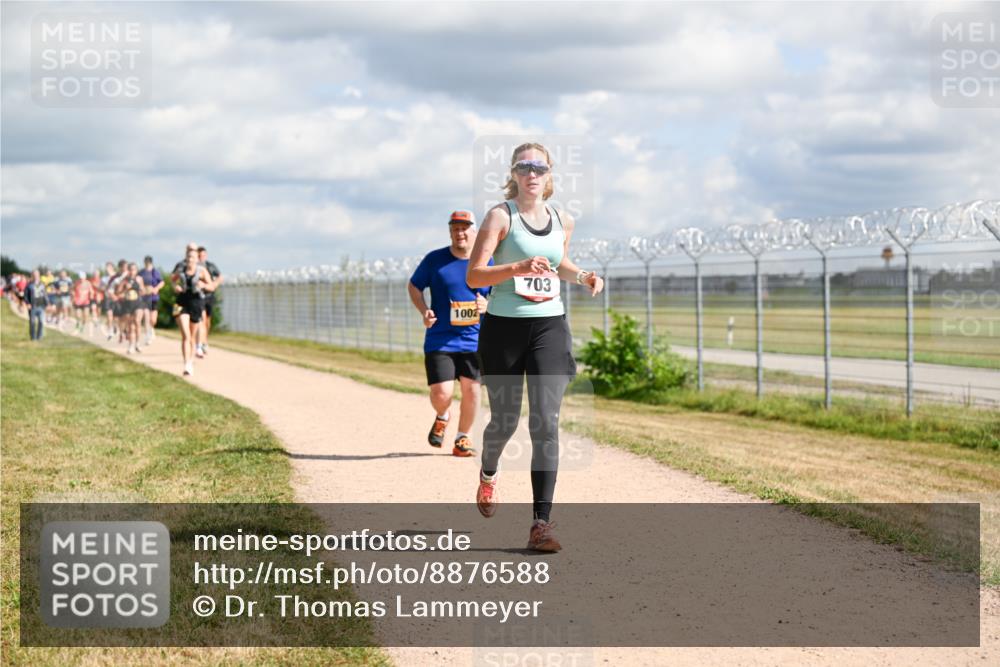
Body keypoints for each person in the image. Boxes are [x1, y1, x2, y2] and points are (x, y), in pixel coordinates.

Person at [466, 142, 604, 552]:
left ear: (549, 174)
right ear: (513, 173)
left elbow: (558, 263)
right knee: (504, 423)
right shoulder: (499, 216)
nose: (532, 173)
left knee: (544, 422)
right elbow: (475, 276)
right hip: (504, 329)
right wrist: (517, 268)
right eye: (524, 166)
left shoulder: (563, 218)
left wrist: (583, 277)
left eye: (539, 167)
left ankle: (540, 524)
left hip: (550, 327)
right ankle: (489, 474)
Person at [408, 211, 492, 457]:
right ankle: (443, 415)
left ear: (475, 231)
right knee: (441, 393)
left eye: (465, 228)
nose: (460, 233)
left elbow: (501, 291)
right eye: (455, 228)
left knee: (472, 389)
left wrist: (489, 305)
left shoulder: (487, 261)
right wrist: (424, 311)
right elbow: (414, 286)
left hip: (475, 339)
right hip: (440, 338)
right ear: (450, 232)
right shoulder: (435, 260)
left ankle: (462, 438)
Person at [172, 248, 213, 376]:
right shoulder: (181, 270)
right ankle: (186, 364)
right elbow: (172, 280)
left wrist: (204, 285)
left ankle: (190, 361)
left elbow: (211, 286)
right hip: (181, 302)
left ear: (197, 259)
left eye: (193, 257)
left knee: (192, 336)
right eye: (188, 257)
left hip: (196, 303)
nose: (190, 260)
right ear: (186, 258)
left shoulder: (202, 271)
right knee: (186, 334)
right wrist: (175, 287)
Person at [197, 246, 223, 356]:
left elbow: (220, 277)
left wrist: (213, 285)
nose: (201, 257)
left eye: (203, 255)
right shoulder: (195, 267)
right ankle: (200, 343)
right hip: (199, 296)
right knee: (201, 320)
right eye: (199, 255)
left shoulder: (210, 266)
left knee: (207, 321)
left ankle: (205, 340)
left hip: (209, 296)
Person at [116, 262, 146, 354]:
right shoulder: (124, 280)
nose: (132, 271)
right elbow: (118, 292)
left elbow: (143, 291)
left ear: (136, 270)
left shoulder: (139, 279)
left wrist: (141, 290)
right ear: (128, 270)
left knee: (137, 321)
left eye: (134, 269)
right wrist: (126, 289)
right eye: (130, 269)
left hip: (138, 303)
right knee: (131, 326)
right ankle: (131, 345)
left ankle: (138, 343)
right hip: (128, 304)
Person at [138, 256, 164, 345]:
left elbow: (162, 282)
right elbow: (137, 281)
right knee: (146, 317)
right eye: (145, 262)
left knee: (153, 319)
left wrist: (156, 288)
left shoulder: (155, 272)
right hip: (144, 298)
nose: (146, 264)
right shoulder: (141, 272)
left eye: (148, 262)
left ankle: (151, 329)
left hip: (153, 298)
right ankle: (148, 336)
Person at [24, 270, 49, 341]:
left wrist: (47, 304)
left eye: (37, 274)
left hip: (41, 306)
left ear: (39, 275)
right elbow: (25, 296)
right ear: (32, 276)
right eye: (34, 275)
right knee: (32, 322)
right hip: (32, 306)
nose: (35, 276)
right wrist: (27, 303)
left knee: (41, 321)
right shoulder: (29, 285)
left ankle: (39, 337)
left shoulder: (42, 284)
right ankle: (33, 337)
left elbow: (45, 295)